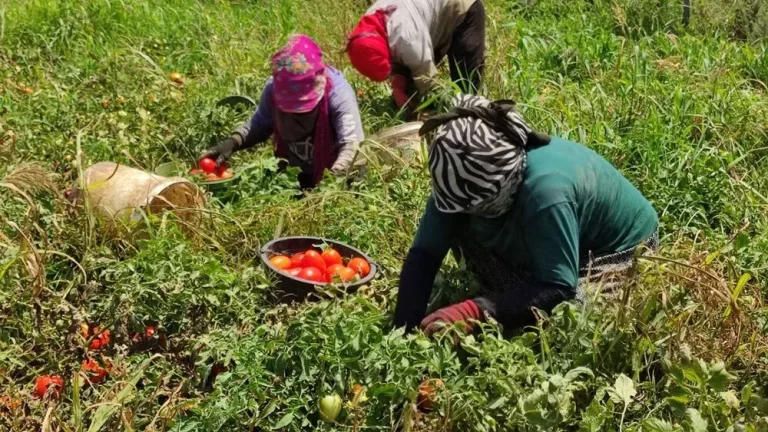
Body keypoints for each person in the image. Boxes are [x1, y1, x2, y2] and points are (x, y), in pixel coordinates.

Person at [393, 94, 659, 336]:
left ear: (503, 186)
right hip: (549, 228)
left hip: (617, 251)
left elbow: (559, 288)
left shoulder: (545, 192)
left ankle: (517, 296)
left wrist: (476, 311)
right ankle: (518, 292)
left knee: (571, 317)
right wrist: (403, 328)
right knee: (458, 223)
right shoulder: (458, 183)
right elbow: (423, 256)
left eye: (480, 205)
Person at [202, 35, 364, 189]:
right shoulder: (275, 88)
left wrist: (330, 185)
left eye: (302, 110)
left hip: (337, 178)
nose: (297, 117)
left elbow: (353, 147)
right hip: (296, 174)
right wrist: (234, 142)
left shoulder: (338, 95)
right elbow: (260, 124)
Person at [346, 0, 485, 112]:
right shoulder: (368, 28)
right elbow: (392, 59)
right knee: (410, 92)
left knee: (465, 88)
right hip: (421, 19)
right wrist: (398, 88)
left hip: (461, 8)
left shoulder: (407, 39)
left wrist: (433, 112)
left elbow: (430, 85)